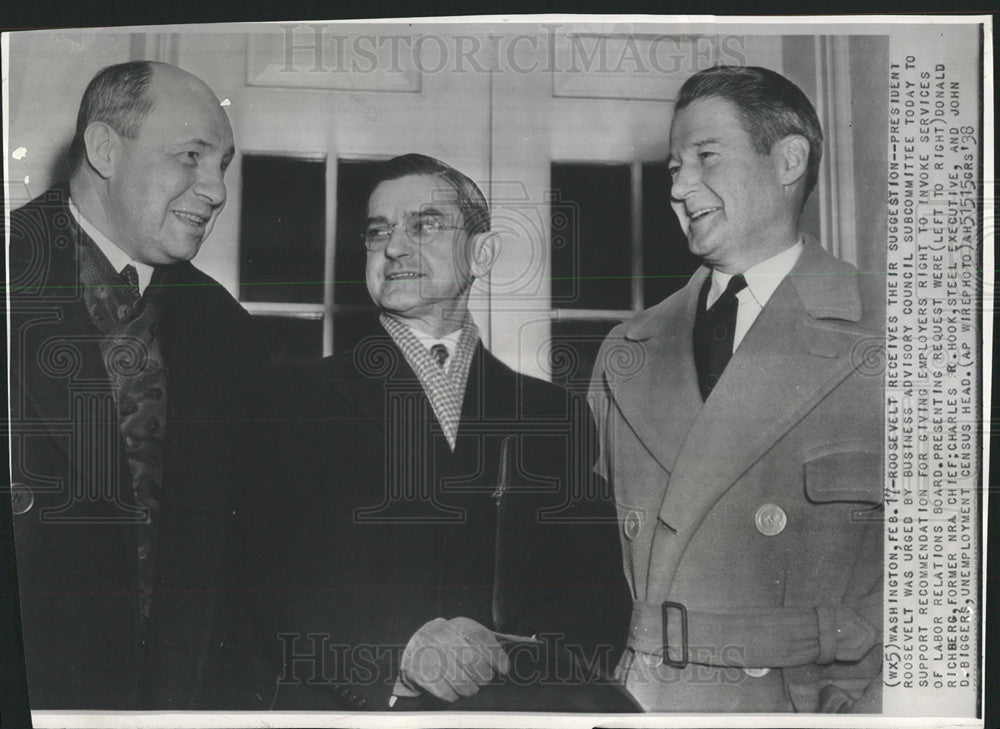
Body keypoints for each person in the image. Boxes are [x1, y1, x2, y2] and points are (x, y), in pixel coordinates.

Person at [249, 153, 632, 711]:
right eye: (378, 231)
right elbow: (254, 577)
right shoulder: (288, 400)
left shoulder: (552, 414)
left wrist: (506, 672)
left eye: (425, 225)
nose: (395, 247)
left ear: (482, 252)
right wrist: (395, 651)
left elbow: (594, 604)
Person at [588, 66, 884, 713]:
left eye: (705, 158)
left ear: (788, 160)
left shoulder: (891, 332)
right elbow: (579, 569)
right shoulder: (625, 353)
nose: (680, 187)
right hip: (647, 700)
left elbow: (950, 583)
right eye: (673, 167)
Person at [8, 61, 268, 709]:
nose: (215, 191)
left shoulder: (228, 330)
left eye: (223, 166)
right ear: (103, 150)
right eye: (191, 157)